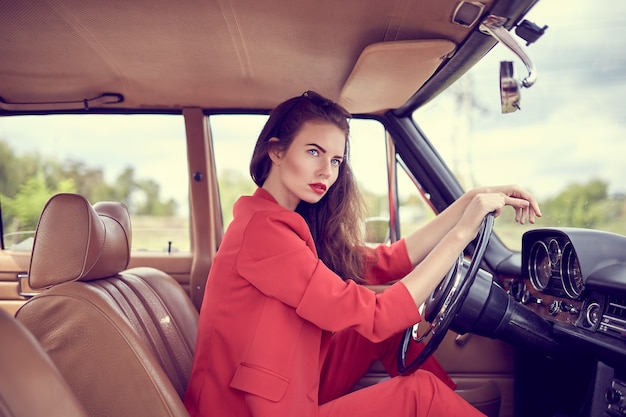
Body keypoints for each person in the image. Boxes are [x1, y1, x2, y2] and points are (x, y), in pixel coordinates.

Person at [184, 91, 541, 417]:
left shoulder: (285, 224)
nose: (327, 171)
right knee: (419, 393)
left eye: (336, 160)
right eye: (313, 152)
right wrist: (463, 233)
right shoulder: (263, 233)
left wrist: (467, 201)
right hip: (248, 410)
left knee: (385, 335)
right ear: (276, 151)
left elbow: (389, 261)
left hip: (283, 388)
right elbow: (377, 315)